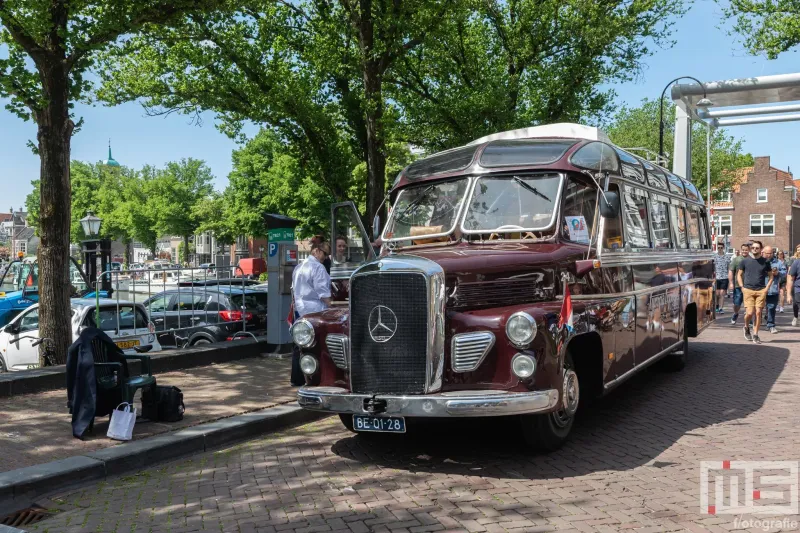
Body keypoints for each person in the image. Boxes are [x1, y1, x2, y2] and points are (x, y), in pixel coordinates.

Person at [290, 242, 332, 385]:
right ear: (317, 251)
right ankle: (316, 378)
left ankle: (296, 378)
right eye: (325, 254)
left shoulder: (299, 267)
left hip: (299, 309)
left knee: (300, 344)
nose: (326, 258)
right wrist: (331, 305)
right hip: (315, 311)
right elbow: (323, 292)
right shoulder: (318, 268)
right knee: (317, 344)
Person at [737, 240, 774, 344]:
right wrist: (741, 287)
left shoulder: (765, 261)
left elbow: (771, 276)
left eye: (757, 248)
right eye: (753, 248)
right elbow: (739, 274)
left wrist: (767, 288)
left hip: (761, 290)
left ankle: (756, 334)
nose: (754, 249)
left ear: (761, 249)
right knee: (749, 313)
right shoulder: (745, 261)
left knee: (758, 313)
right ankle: (746, 327)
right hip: (748, 290)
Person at [763, 246, 785, 334]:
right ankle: (753, 324)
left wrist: (778, 273)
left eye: (770, 253)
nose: (768, 255)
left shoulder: (778, 262)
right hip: (760, 288)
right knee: (758, 308)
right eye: (767, 253)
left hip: (773, 288)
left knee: (771, 307)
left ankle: (771, 325)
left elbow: (784, 273)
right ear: (763, 253)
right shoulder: (759, 262)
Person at [728, 242, 751, 325]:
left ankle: (749, 318)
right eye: (743, 250)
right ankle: (736, 313)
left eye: (746, 250)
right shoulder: (736, 259)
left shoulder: (752, 259)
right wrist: (731, 283)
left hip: (749, 286)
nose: (744, 251)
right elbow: (731, 271)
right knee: (737, 303)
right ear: (741, 250)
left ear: (749, 250)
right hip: (738, 286)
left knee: (749, 303)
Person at [712, 243, 730, 314]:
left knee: (722, 293)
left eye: (721, 248)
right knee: (717, 294)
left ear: (723, 248)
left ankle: (721, 308)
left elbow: (729, 267)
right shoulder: (714, 256)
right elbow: (712, 267)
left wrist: (729, 276)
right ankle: (716, 305)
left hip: (724, 277)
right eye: (718, 247)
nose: (719, 249)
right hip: (716, 278)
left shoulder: (727, 257)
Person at [787, 248, 800, 327]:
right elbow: (791, 278)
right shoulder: (796, 262)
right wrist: (788, 294)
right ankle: (796, 316)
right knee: (796, 304)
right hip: (798, 288)